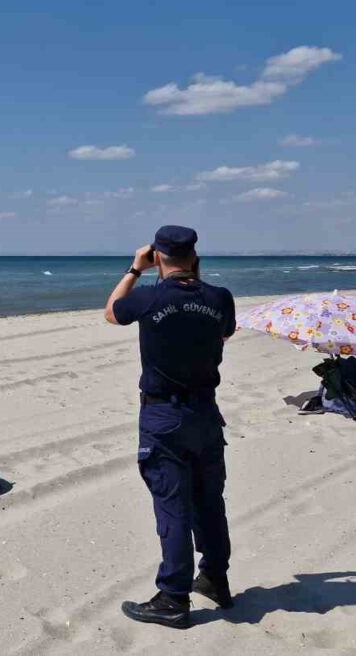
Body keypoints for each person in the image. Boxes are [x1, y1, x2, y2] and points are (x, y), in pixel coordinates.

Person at [104, 225, 236, 629]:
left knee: (172, 504)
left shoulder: (148, 297)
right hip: (206, 414)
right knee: (209, 500)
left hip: (164, 415)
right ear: (194, 256)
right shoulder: (219, 298)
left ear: (157, 256)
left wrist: (134, 268)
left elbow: (112, 312)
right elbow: (227, 331)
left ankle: (174, 598)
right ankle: (214, 576)